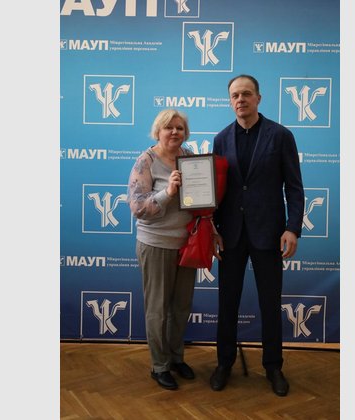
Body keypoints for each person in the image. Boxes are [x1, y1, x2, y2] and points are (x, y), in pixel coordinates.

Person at [210, 75, 305, 397]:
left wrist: (292, 228)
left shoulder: (281, 136)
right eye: (235, 95)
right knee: (227, 303)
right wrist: (213, 229)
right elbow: (216, 191)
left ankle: (273, 366)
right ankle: (224, 363)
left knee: (270, 303)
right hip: (231, 235)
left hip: (269, 233)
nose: (241, 100)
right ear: (230, 101)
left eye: (246, 94)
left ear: (258, 98)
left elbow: (294, 187)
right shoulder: (221, 139)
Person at [127, 109, 197, 391]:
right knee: (158, 310)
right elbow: (137, 207)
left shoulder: (190, 159)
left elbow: (199, 201)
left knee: (181, 307)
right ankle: (160, 366)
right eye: (169, 127)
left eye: (180, 128)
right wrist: (167, 193)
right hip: (155, 244)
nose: (175, 132)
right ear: (158, 131)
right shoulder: (146, 161)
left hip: (187, 246)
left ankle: (176, 358)